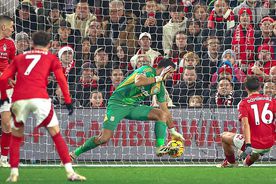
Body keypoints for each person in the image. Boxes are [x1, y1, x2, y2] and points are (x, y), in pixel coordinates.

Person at [0, 31, 86, 182]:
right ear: (49, 45)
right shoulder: (51, 58)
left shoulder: (20, 58)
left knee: (16, 136)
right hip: (40, 98)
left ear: (31, 44)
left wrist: (4, 98)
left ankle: (14, 173)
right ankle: (70, 172)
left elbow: (3, 78)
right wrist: (68, 101)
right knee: (56, 134)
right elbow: (61, 80)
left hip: (19, 99)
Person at [70, 58, 184, 160]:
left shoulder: (160, 87)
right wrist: (158, 77)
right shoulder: (147, 70)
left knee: (161, 114)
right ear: (165, 69)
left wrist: (173, 131)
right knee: (103, 138)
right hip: (117, 104)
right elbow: (139, 81)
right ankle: (74, 154)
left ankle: (160, 147)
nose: (171, 76)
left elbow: (165, 110)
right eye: (171, 73)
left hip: (133, 107)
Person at [217, 76, 276, 168]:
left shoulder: (244, 103)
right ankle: (247, 163)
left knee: (224, 136)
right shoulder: (272, 101)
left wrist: (247, 144)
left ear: (246, 88)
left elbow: (246, 125)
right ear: (260, 87)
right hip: (269, 143)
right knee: (256, 152)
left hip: (254, 144)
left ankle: (231, 163)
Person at [0, 15, 16, 168]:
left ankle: (3, 159)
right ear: (3, 27)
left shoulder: (11, 44)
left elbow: (12, 63)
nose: (13, 29)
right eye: (11, 26)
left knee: (7, 124)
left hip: (6, 89)